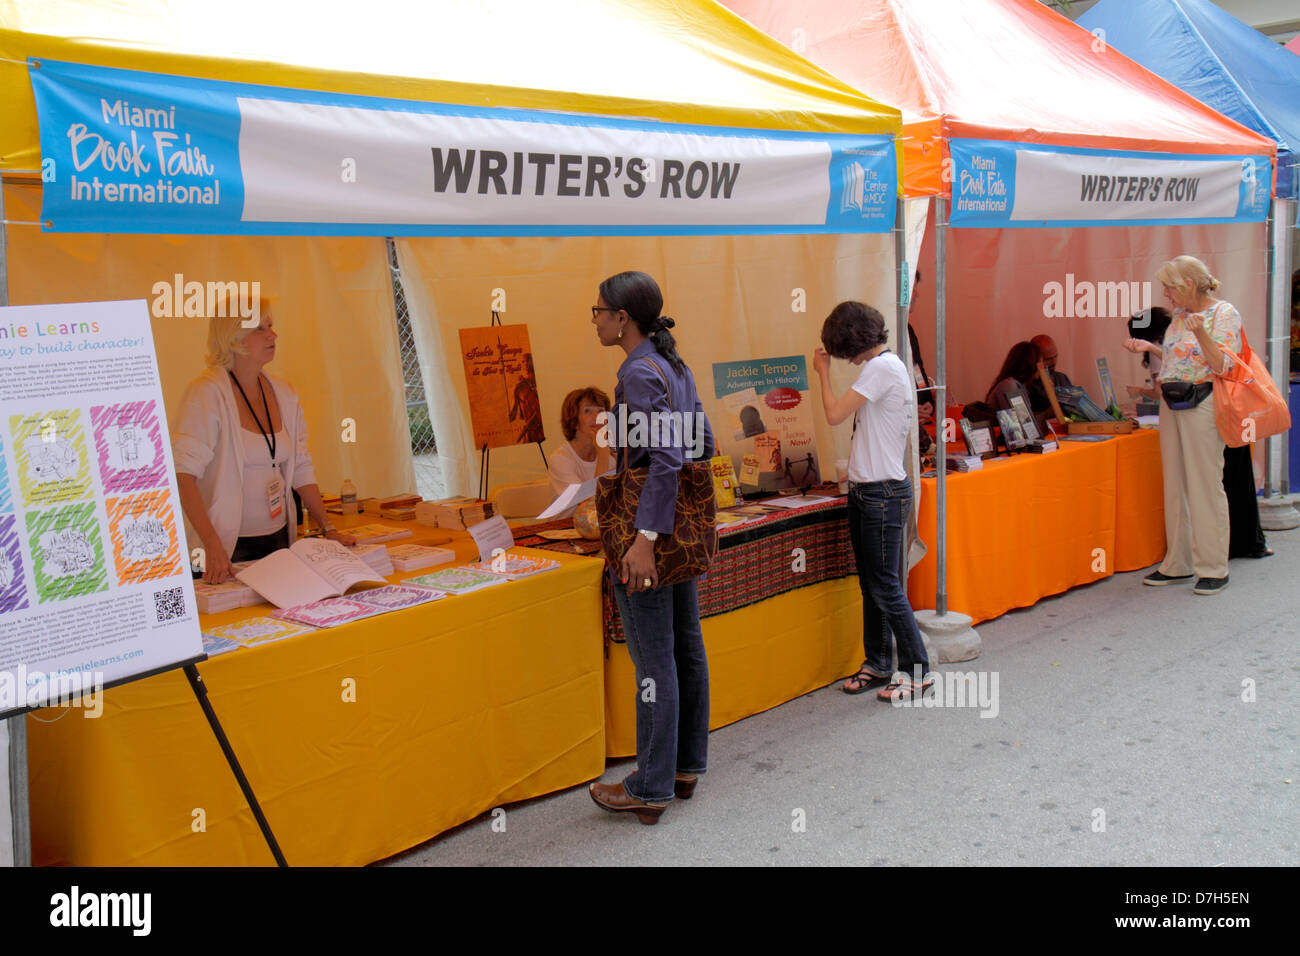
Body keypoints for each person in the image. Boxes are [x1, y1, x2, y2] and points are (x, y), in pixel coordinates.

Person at [587, 271, 716, 825]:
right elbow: (701, 442)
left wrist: (642, 538)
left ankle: (650, 784)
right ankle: (684, 767)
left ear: (622, 319)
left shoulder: (638, 372)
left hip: (650, 534)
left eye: (596, 310)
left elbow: (665, 456)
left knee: (653, 660)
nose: (592, 319)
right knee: (685, 648)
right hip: (679, 530)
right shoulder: (673, 365)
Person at [174, 298, 348, 585]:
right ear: (232, 338)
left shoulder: (284, 392)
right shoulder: (206, 394)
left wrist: (328, 526)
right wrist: (211, 543)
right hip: (223, 549)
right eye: (259, 328)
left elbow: (302, 466)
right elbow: (183, 476)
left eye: (270, 326)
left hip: (278, 541)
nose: (272, 335)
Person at [813, 301, 933, 701]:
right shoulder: (884, 367)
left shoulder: (881, 368)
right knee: (875, 586)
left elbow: (832, 414)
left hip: (880, 493)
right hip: (871, 491)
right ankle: (878, 663)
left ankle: (917, 670)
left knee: (885, 587)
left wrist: (822, 373)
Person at [1123, 256, 1240, 594]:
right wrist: (1152, 349)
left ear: (1189, 284)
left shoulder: (1224, 314)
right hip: (1171, 403)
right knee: (1174, 484)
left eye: (1170, 287)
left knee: (1204, 484)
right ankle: (1178, 562)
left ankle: (1214, 566)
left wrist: (1202, 331)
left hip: (1202, 403)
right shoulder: (1178, 316)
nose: (1166, 294)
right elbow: (1179, 359)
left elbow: (1222, 366)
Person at [1128, 307, 1270, 561]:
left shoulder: (1197, 328)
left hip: (1209, 412)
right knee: (1230, 480)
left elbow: (1183, 379)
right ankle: (1247, 542)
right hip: (1229, 412)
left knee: (1209, 486)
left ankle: (1221, 552)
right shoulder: (1192, 329)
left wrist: (1150, 356)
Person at [546, 386, 612, 516]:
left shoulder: (613, 455)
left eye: (601, 411)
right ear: (574, 421)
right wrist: (603, 456)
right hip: (564, 531)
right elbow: (591, 508)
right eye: (588, 411)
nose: (597, 417)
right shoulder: (560, 459)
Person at [984, 340, 1043, 412]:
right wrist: (1048, 413)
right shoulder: (1009, 385)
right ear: (1031, 364)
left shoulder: (1021, 385)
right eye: (1040, 362)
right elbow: (1022, 420)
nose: (1042, 367)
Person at [1027, 333, 1072, 413]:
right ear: (1035, 359)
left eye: (1055, 356)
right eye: (1048, 359)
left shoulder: (1062, 378)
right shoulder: (1028, 385)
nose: (1054, 362)